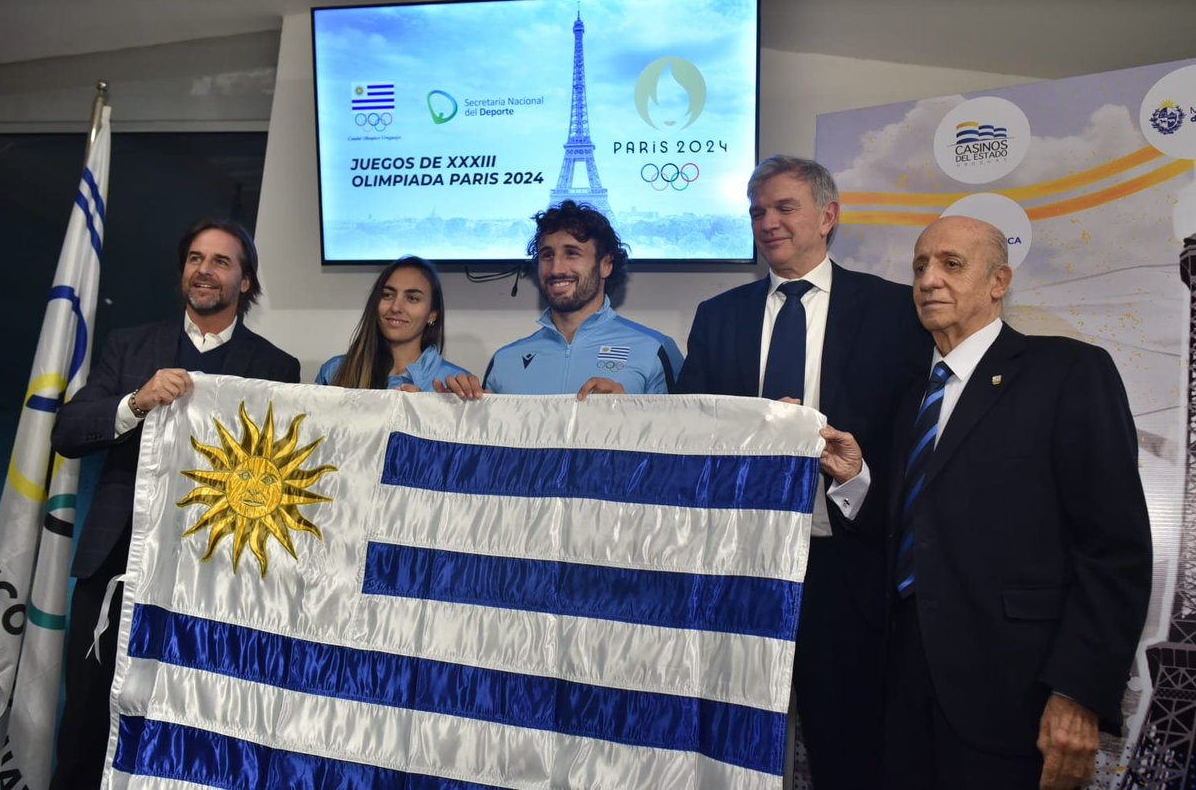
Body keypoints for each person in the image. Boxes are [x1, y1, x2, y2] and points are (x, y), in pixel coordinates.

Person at [675, 156, 930, 789]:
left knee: (847, 748)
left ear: (827, 215)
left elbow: (912, 445)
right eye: (758, 211)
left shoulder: (896, 312)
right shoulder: (719, 315)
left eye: (784, 208)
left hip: (846, 565)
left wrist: (853, 480)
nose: (767, 222)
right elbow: (689, 430)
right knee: (724, 745)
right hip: (737, 568)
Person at [875, 215, 1152, 789]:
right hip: (900, 691)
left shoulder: (1070, 371)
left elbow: (1113, 550)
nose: (929, 280)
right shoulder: (908, 394)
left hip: (1013, 697)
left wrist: (1075, 694)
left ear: (998, 281)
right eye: (920, 266)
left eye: (951, 264)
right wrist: (855, 479)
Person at [49, 218, 301, 790]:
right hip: (116, 564)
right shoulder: (129, 345)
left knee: (188, 725)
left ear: (246, 280)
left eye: (220, 261)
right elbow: (67, 431)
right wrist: (134, 403)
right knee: (87, 722)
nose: (204, 271)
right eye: (195, 258)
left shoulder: (276, 368)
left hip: (212, 577)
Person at [440, 200, 682, 399]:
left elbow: (684, 444)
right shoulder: (505, 359)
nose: (556, 268)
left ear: (606, 264)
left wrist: (630, 412)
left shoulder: (655, 350)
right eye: (547, 255)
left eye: (572, 253)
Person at [316, 256, 469, 391]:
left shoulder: (456, 385)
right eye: (387, 295)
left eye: (412, 298)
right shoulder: (334, 370)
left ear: (432, 314)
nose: (396, 307)